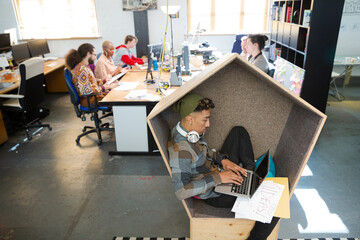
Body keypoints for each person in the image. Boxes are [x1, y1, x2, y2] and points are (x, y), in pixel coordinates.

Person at [168, 93, 279, 240]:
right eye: (205, 120)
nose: (208, 124)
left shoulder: (189, 133)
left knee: (238, 131)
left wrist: (222, 160)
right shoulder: (181, 150)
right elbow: (181, 191)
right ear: (190, 119)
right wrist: (219, 178)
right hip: (214, 192)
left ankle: (249, 176)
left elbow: (204, 151)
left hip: (217, 170)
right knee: (276, 205)